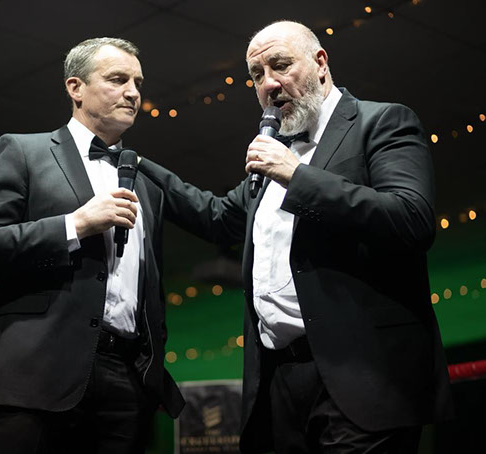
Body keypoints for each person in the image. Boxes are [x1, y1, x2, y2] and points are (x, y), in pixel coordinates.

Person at [138, 21, 453, 453]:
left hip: (365, 374)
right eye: (257, 75)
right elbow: (218, 217)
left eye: (281, 65)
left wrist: (295, 175)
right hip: (280, 384)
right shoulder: (278, 152)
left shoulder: (381, 121)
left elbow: (411, 219)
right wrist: (137, 165)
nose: (269, 83)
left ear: (320, 63)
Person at [0, 37, 184, 454]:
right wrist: (75, 224)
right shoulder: (24, 150)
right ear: (75, 88)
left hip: (126, 384)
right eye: (117, 79)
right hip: (35, 373)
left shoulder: (149, 185)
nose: (133, 93)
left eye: (137, 82)